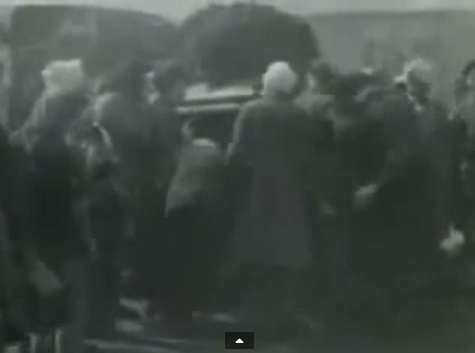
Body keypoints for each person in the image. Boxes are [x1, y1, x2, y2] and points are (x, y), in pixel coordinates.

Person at [226, 61, 320, 338]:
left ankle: (242, 344)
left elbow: (235, 155)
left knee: (252, 276)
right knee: (284, 274)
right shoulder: (300, 116)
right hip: (290, 199)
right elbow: (309, 161)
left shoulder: (250, 111)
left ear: (267, 84)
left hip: (255, 198)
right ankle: (280, 335)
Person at [13, 58, 93, 353]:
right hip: (63, 238)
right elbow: (78, 199)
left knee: (34, 316)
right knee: (67, 315)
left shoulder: (19, 142)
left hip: (27, 240)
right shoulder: (65, 152)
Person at [161, 117, 228, 331]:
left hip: (175, 205)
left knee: (176, 260)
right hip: (198, 209)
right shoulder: (213, 151)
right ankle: (190, 308)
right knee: (194, 260)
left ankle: (174, 311)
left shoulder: (185, 149)